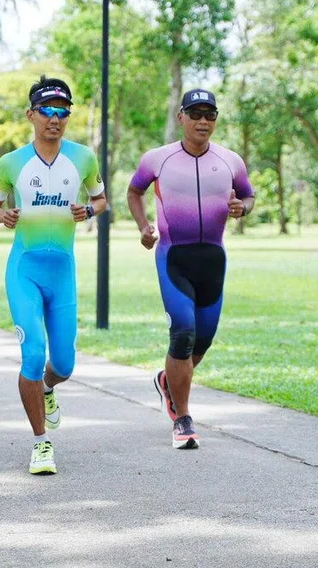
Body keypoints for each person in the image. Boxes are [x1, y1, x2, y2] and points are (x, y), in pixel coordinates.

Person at [0, 76, 107, 475]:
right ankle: (41, 443)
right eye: (47, 112)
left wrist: (88, 211)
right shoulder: (11, 163)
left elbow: (101, 199)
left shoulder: (84, 158)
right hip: (24, 270)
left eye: (62, 112)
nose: (55, 119)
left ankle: (49, 388)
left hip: (63, 271)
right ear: (31, 115)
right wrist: (3, 215)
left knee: (65, 364)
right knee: (33, 353)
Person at [127, 89, 255, 449]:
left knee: (203, 339)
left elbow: (248, 195)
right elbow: (134, 192)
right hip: (173, 256)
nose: (203, 121)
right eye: (195, 113)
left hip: (213, 259)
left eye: (210, 114)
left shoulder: (230, 161)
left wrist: (241, 208)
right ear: (181, 117)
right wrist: (143, 227)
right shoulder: (158, 159)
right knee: (183, 333)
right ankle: (182, 418)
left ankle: (169, 380)